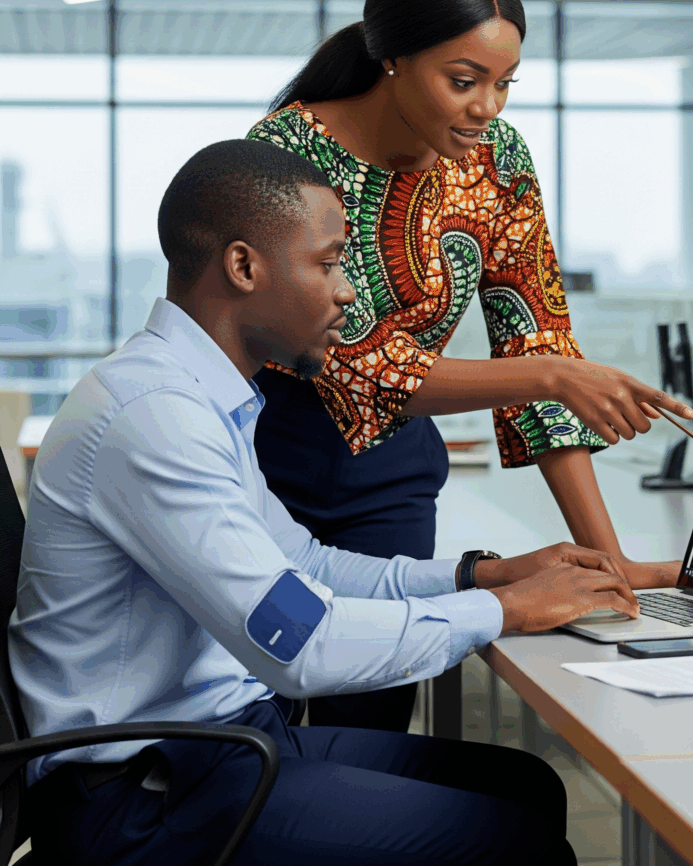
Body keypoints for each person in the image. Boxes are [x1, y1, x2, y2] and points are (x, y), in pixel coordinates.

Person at [10, 140, 640, 866]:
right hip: (140, 798)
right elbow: (303, 646)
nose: (347, 290)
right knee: (514, 842)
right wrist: (508, 613)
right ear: (245, 267)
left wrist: (478, 579)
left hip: (220, 743)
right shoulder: (154, 415)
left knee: (526, 786)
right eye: (329, 261)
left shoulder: (199, 396)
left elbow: (306, 564)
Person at [246, 0, 693, 732]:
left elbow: (534, 337)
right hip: (264, 463)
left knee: (368, 731)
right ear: (392, 58)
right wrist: (553, 374)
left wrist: (608, 560)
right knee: (257, 708)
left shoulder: (498, 162)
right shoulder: (288, 152)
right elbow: (353, 367)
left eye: (503, 83)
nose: (488, 106)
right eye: (464, 81)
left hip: (393, 480)